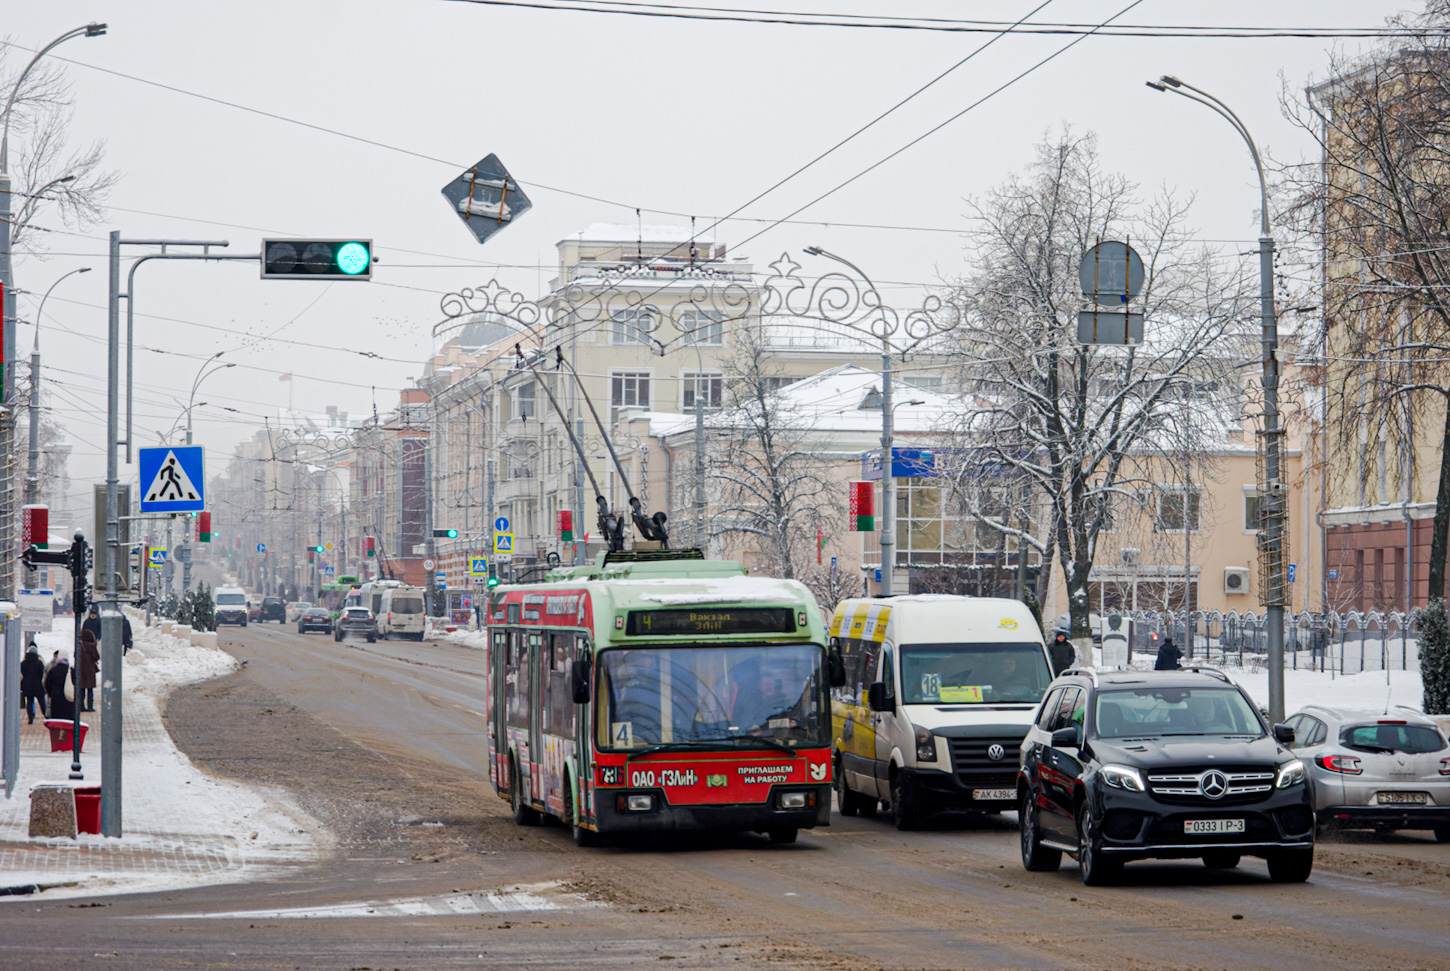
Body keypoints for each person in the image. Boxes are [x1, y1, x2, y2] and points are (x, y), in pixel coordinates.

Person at [20, 642, 46, 724]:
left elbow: (22, 672)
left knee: (29, 702)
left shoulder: (23, 663)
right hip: (37, 684)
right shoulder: (39, 663)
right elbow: (42, 673)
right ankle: (46, 716)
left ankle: (30, 719)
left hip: (27, 685)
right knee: (41, 701)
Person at [43, 653, 74, 721]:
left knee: (57, 720)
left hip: (55, 698)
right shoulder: (70, 671)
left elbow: (47, 683)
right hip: (68, 698)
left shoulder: (53, 670)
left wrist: (51, 693)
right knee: (67, 720)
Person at [79, 630, 100, 712]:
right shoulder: (92, 646)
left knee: (81, 690)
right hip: (90, 670)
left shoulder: (79, 646)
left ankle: (81, 706)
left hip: (81, 670)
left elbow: (75, 655)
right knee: (90, 690)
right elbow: (96, 657)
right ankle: (90, 706)